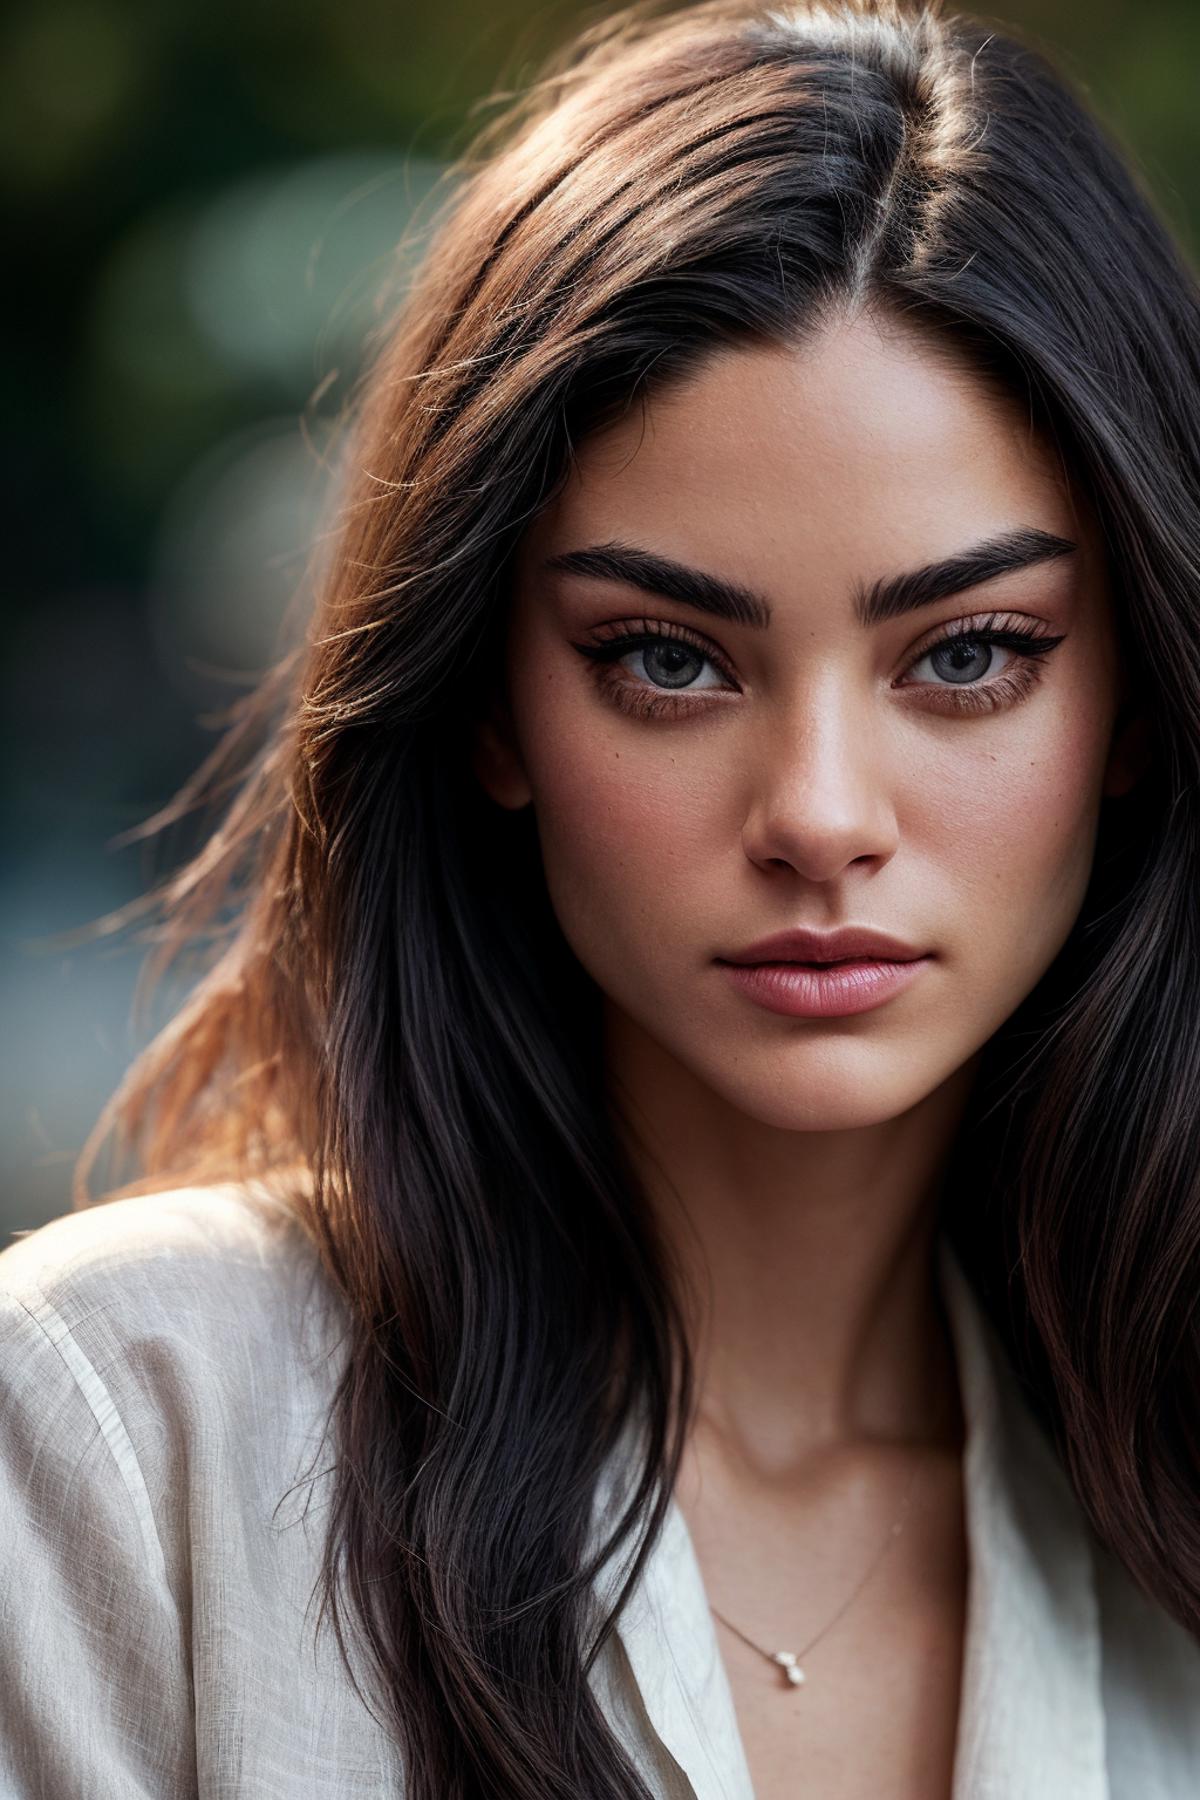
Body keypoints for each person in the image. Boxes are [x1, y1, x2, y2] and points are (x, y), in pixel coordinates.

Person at [3, 0, 1200, 1793]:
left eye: (967, 655)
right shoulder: (119, 1428)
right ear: (492, 701)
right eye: (666, 659)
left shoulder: (1161, 1493)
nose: (818, 816)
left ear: (1133, 704)